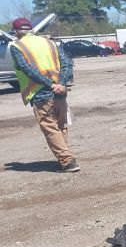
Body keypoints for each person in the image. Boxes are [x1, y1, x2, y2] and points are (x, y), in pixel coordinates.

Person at [9, 17, 79, 172]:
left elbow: (27, 68)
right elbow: (67, 62)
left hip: (40, 92)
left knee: (50, 128)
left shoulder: (16, 46)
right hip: (60, 91)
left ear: (16, 31)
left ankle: (67, 161)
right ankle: (66, 158)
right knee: (61, 126)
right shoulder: (49, 42)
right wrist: (60, 83)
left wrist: (50, 85)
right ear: (31, 29)